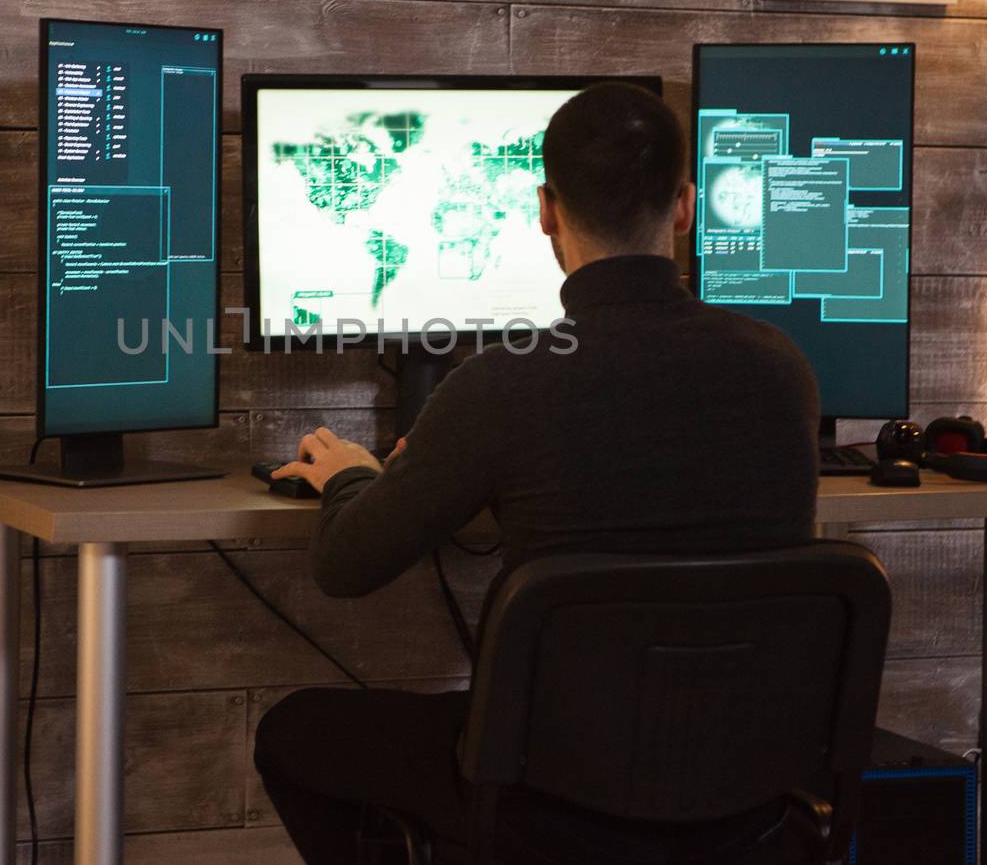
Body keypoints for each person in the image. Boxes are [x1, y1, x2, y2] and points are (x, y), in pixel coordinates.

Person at [252, 82, 822, 864]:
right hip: (746, 796)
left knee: (293, 733)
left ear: (545, 208)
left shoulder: (507, 382)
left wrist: (355, 475)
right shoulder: (783, 371)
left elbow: (345, 564)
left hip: (552, 798)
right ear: (687, 206)